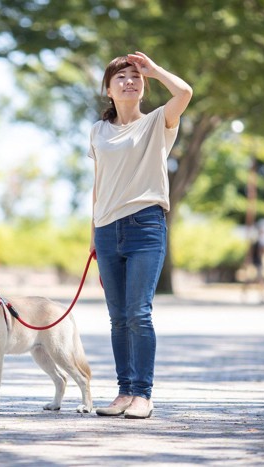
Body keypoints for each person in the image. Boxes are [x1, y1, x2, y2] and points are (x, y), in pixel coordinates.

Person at [88, 51, 192, 419]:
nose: (129, 81)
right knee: (117, 317)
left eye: (136, 77)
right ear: (109, 89)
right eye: (121, 77)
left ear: (143, 86)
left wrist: (155, 68)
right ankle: (123, 391)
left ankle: (143, 395)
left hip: (145, 225)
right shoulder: (98, 131)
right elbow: (99, 183)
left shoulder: (156, 123)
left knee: (138, 313)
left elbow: (184, 92)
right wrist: (93, 234)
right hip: (105, 229)